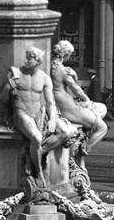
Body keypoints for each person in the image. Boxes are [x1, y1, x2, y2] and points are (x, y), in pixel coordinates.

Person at [7, 46, 68, 181]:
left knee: (66, 132)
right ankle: (39, 173)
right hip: (22, 113)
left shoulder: (45, 78)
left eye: (30, 58)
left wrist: (52, 119)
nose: (26, 60)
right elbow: (2, 99)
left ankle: (32, 154)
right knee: (37, 137)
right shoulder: (16, 73)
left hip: (39, 114)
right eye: (26, 57)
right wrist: (8, 87)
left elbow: (50, 102)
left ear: (38, 61)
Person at [50, 40, 108, 151]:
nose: (69, 57)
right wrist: (86, 100)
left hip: (65, 105)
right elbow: (77, 90)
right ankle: (82, 150)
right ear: (66, 54)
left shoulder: (52, 67)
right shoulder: (63, 70)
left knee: (101, 108)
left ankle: (83, 136)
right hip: (68, 108)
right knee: (102, 127)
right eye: (69, 55)